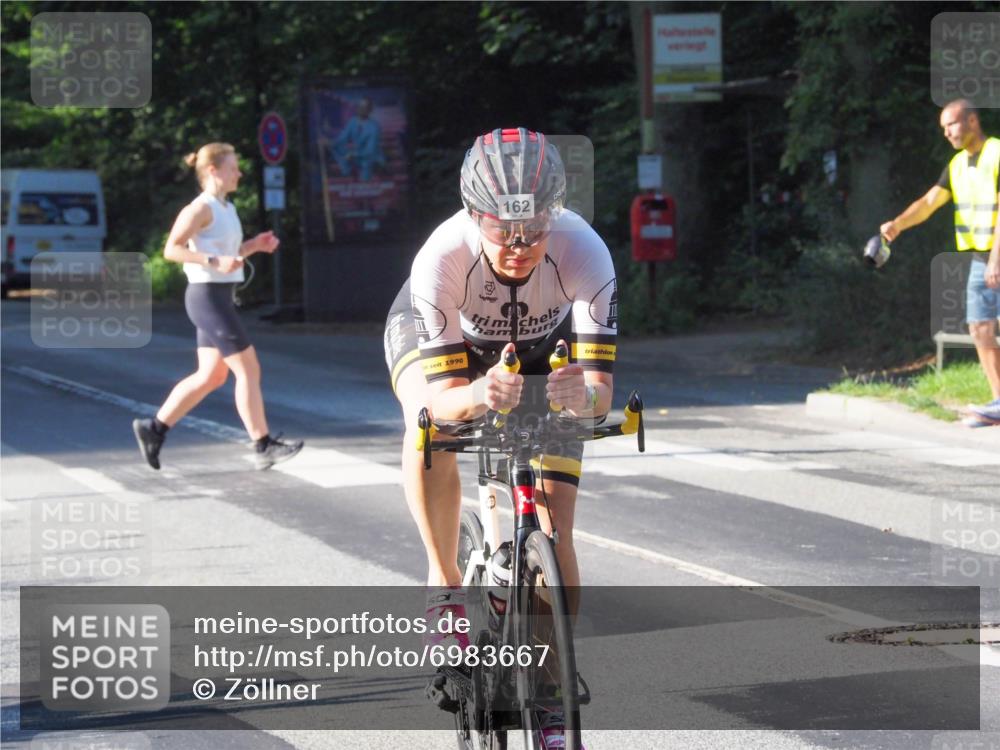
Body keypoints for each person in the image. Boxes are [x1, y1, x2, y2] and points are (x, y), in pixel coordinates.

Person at [383, 127, 616, 748]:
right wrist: (480, 394)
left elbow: (599, 394)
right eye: (501, 230)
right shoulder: (441, 257)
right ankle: (444, 585)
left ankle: (550, 690)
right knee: (426, 425)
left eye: (534, 230)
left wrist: (579, 396)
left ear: (554, 215)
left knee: (556, 523)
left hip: (545, 354)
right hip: (450, 353)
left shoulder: (586, 252)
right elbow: (443, 398)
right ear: (472, 215)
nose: (518, 246)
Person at [132, 143, 304, 470]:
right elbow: (172, 249)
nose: (239, 172)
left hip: (220, 296)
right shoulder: (200, 208)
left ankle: (153, 429)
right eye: (232, 167)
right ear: (213, 171)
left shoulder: (227, 208)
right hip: (206, 297)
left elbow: (229, 252)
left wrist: (255, 245)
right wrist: (212, 260)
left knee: (211, 375)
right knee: (248, 369)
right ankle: (262, 444)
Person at [880, 99, 1000, 426]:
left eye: (952, 124)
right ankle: (999, 401)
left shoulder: (997, 153)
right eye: (943, 128)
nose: (947, 133)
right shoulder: (957, 165)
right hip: (979, 258)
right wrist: (898, 225)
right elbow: (929, 202)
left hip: (996, 256)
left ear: (972, 121)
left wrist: (996, 258)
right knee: (980, 327)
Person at [331, 98, 385, 181]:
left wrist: (353, 154)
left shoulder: (374, 127)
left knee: (366, 171)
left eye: (364, 107)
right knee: (334, 146)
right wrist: (331, 142)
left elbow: (370, 151)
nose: (360, 109)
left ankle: (365, 178)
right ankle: (347, 169)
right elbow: (343, 138)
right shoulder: (352, 121)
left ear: (369, 110)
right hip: (357, 153)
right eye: (359, 106)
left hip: (371, 156)